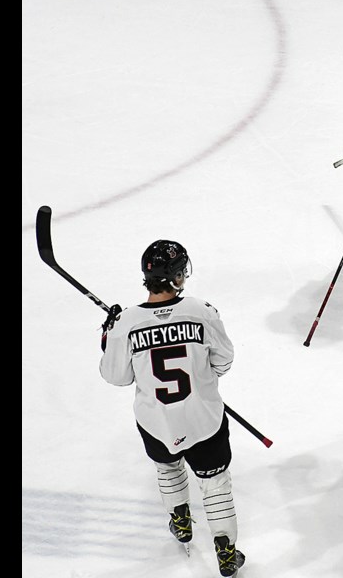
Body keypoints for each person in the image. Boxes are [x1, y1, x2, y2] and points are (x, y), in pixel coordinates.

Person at [99, 240, 246, 577]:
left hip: (155, 422)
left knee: (168, 469)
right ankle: (226, 552)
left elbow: (115, 376)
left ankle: (180, 520)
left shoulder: (127, 322)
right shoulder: (201, 311)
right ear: (178, 276)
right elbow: (224, 359)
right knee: (215, 483)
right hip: (203, 418)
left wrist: (109, 337)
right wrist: (204, 380)